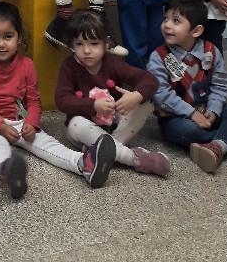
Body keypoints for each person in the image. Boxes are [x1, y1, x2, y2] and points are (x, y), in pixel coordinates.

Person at [0, 2, 116, 198]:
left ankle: (84, 164)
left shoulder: (27, 65)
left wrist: (31, 122)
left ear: (19, 37)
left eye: (8, 36)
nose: (1, 44)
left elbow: (34, 101)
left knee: (49, 145)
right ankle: (8, 172)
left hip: (20, 122)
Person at [55, 10, 170, 177]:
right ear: (71, 45)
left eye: (94, 43)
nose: (86, 50)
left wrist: (134, 96)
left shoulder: (112, 63)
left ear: (106, 43)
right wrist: (93, 105)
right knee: (76, 123)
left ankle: (99, 152)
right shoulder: (69, 67)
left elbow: (150, 80)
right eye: (79, 44)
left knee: (145, 104)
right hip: (84, 129)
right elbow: (61, 100)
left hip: (114, 124)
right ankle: (132, 158)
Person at [147, 0, 227, 173]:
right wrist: (192, 113)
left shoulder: (211, 51)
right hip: (176, 117)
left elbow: (221, 86)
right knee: (188, 130)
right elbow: (161, 94)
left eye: (176, 21)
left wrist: (214, 110)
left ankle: (216, 146)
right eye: (165, 19)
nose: (167, 25)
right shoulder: (159, 57)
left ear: (196, 31)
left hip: (207, 110)